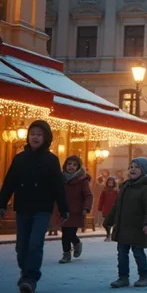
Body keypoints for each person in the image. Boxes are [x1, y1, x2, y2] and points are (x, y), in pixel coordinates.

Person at [0, 120, 68, 293]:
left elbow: (58, 186)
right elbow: (9, 183)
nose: (35, 137)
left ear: (45, 137)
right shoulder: (20, 158)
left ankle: (31, 277)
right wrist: (1, 204)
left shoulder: (51, 160)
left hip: (42, 208)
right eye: (32, 134)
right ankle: (25, 273)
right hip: (23, 207)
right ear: (28, 137)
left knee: (35, 243)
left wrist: (63, 208)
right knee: (21, 245)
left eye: (39, 134)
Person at [105, 157, 147, 288]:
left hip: (138, 228)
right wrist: (109, 220)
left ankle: (144, 276)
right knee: (122, 254)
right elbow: (116, 206)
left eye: (136, 167)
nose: (132, 169)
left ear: (144, 171)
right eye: (131, 167)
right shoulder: (125, 187)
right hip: (123, 227)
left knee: (138, 253)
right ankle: (123, 277)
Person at [58, 155, 92, 264]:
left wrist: (86, 208)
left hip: (76, 211)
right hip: (63, 210)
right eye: (69, 164)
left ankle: (77, 243)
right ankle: (66, 255)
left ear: (78, 167)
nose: (71, 167)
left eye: (74, 164)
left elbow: (88, 196)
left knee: (71, 233)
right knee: (64, 234)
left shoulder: (82, 181)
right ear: (65, 165)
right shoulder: (60, 178)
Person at [98, 177, 119, 242]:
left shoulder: (117, 190)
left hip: (115, 209)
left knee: (115, 223)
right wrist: (100, 207)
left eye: (111, 182)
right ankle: (108, 235)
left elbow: (120, 199)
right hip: (106, 209)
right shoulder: (105, 190)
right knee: (106, 224)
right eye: (109, 182)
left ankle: (113, 236)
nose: (110, 183)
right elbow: (101, 200)